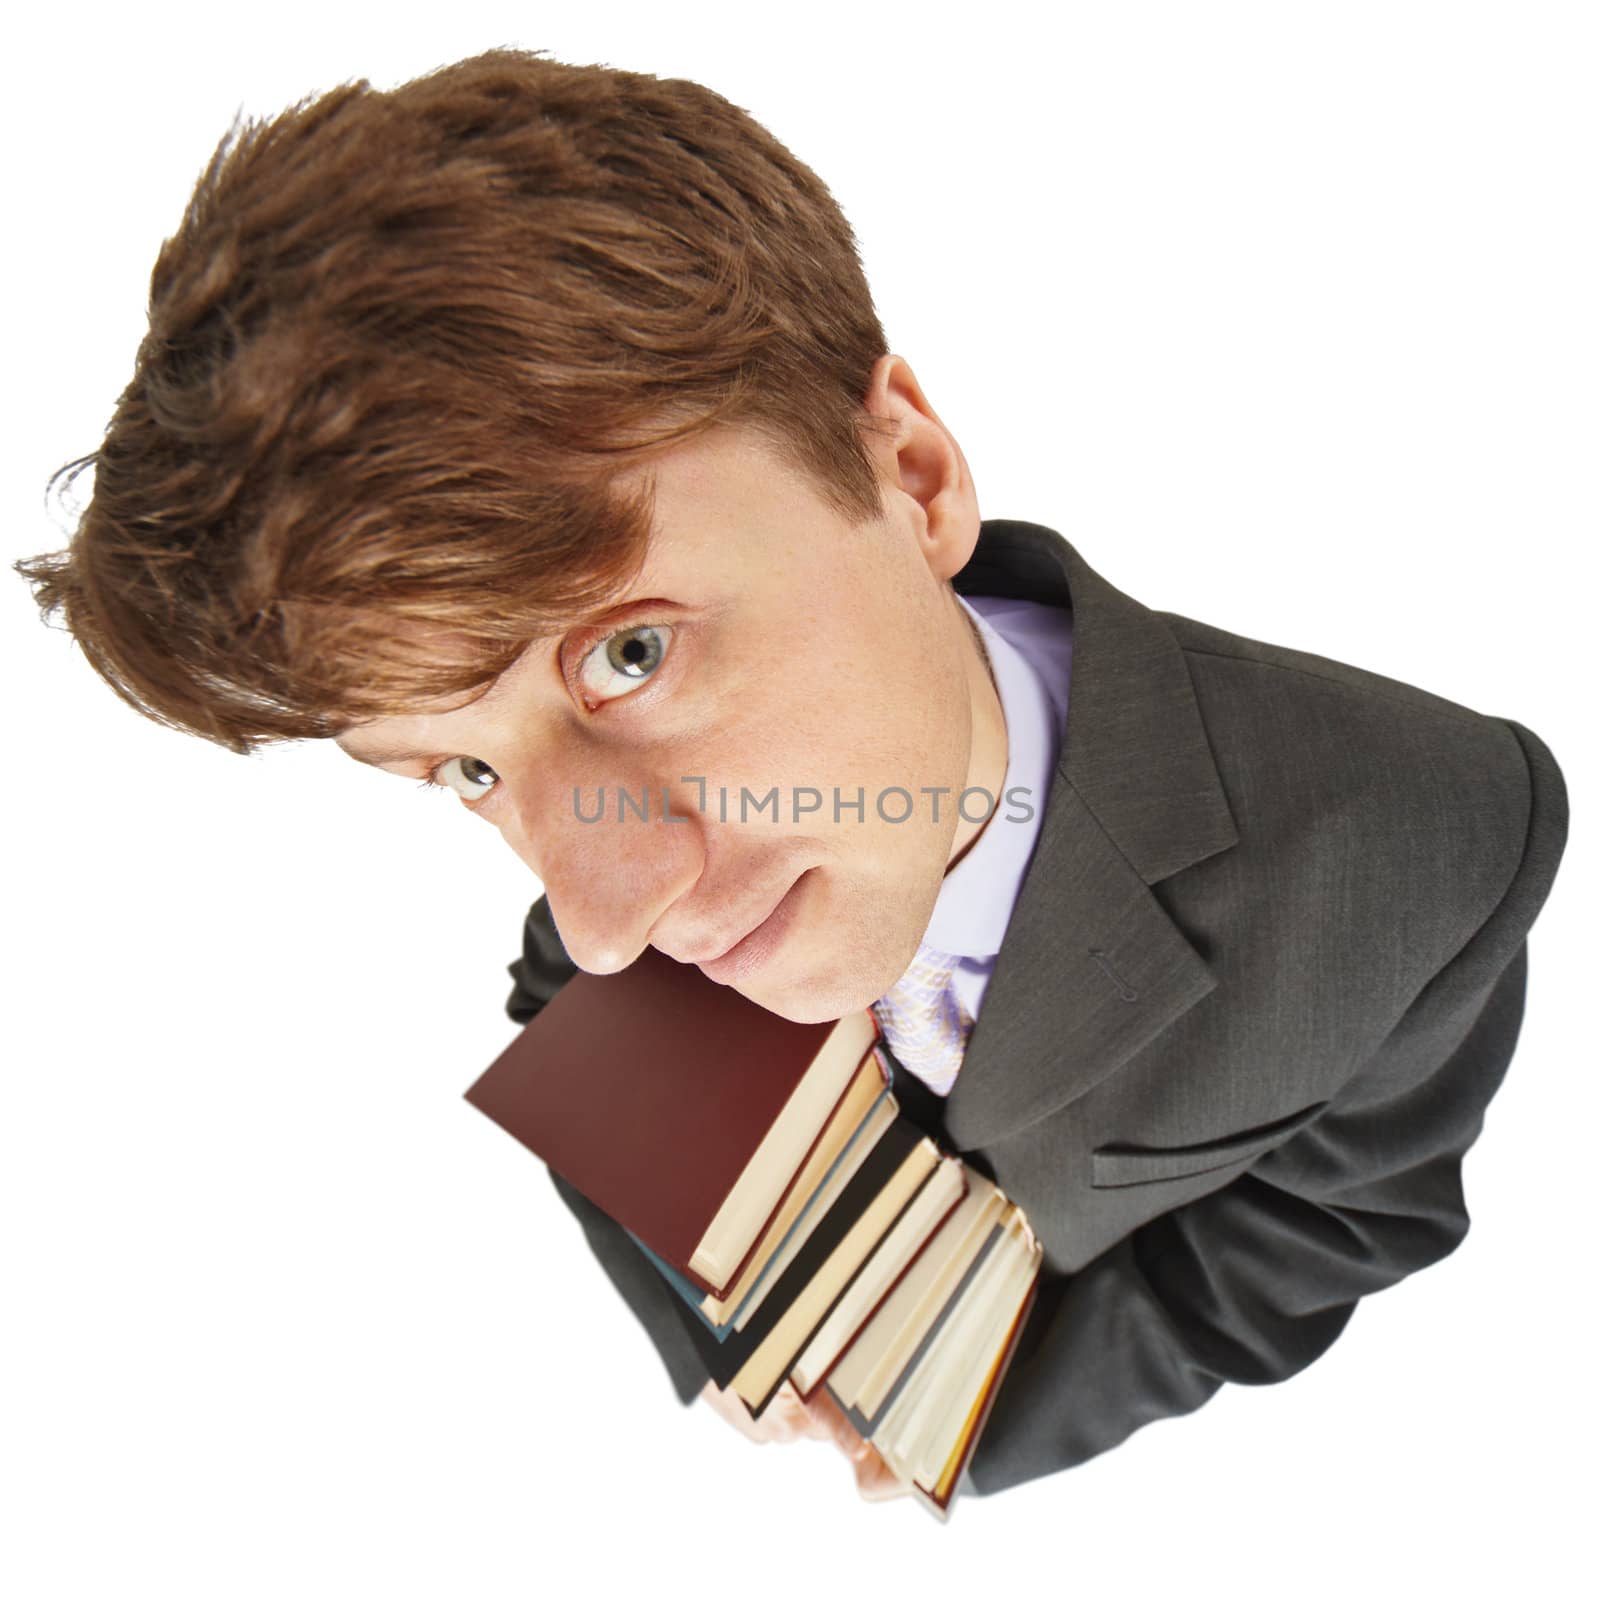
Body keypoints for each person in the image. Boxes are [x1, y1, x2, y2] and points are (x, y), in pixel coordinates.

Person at [14, 47, 1569, 1504]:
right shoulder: (628, 894)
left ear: (911, 473)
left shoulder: (1424, 840)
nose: (610, 913)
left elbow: (1323, 1231)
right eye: (462, 771)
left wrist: (965, 1422)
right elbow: (573, 1002)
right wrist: (759, 1320)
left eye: (628, 655)